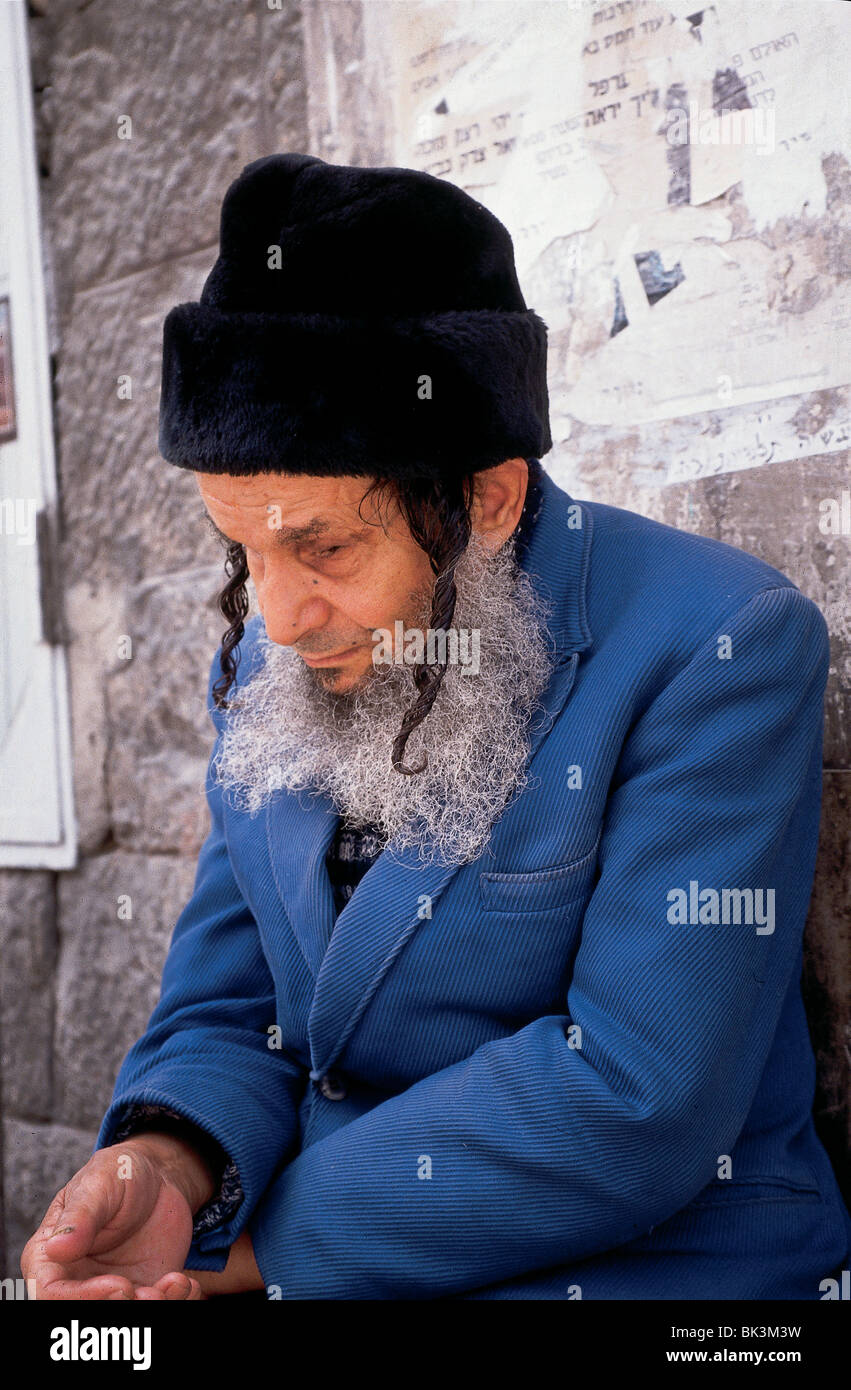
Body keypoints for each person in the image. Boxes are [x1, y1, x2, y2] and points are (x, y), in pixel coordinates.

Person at [22, 153, 851, 1301]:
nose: (276, 614)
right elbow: (233, 1005)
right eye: (241, 549)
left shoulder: (719, 643)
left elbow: (636, 1093)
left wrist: (249, 1259)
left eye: (323, 546)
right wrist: (167, 1175)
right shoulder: (271, 652)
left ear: (487, 500)